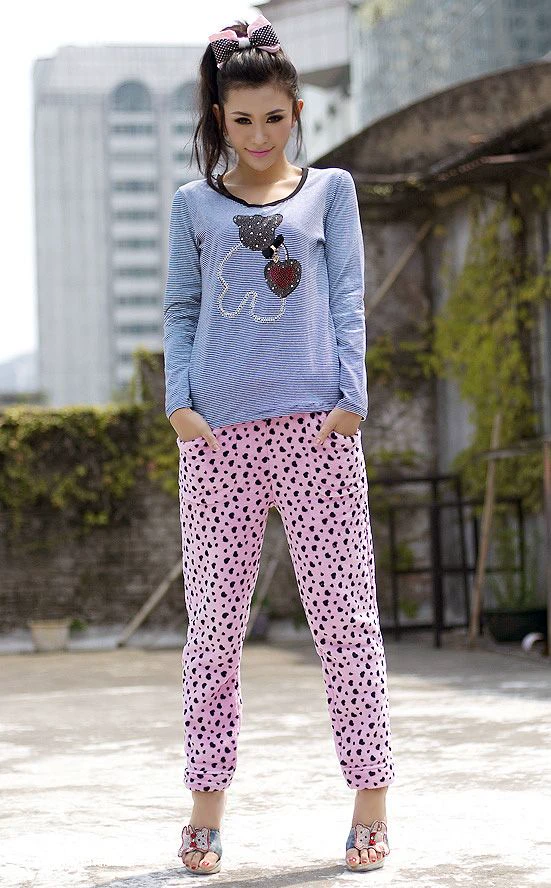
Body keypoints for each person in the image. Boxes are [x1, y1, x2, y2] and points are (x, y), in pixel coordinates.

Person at [163, 13, 395, 876]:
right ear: (218, 119)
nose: (258, 136)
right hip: (216, 440)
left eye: (273, 117)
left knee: (345, 623)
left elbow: (348, 297)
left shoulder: (330, 190)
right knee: (213, 633)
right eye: (241, 120)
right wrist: (178, 405)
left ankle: (370, 803)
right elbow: (180, 309)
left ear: (296, 111)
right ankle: (205, 811)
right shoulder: (192, 204)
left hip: (315, 431)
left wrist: (351, 400)